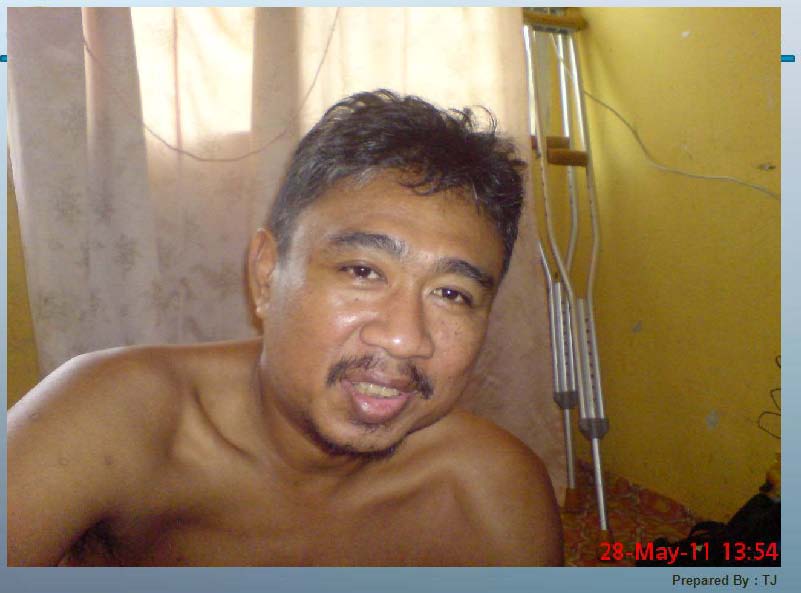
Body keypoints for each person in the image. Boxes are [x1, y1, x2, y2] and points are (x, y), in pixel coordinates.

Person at [7, 89, 564, 566]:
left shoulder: (493, 496)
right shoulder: (112, 420)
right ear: (266, 275)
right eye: (363, 271)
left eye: (452, 294)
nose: (405, 338)